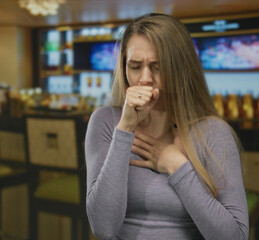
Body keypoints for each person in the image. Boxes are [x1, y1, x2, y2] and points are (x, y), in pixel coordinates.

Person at [85, 13, 249, 240]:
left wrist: (177, 166)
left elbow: (234, 237)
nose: (144, 79)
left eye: (157, 67)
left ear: (181, 69)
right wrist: (125, 129)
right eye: (134, 66)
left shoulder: (213, 132)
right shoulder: (105, 122)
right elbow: (103, 228)